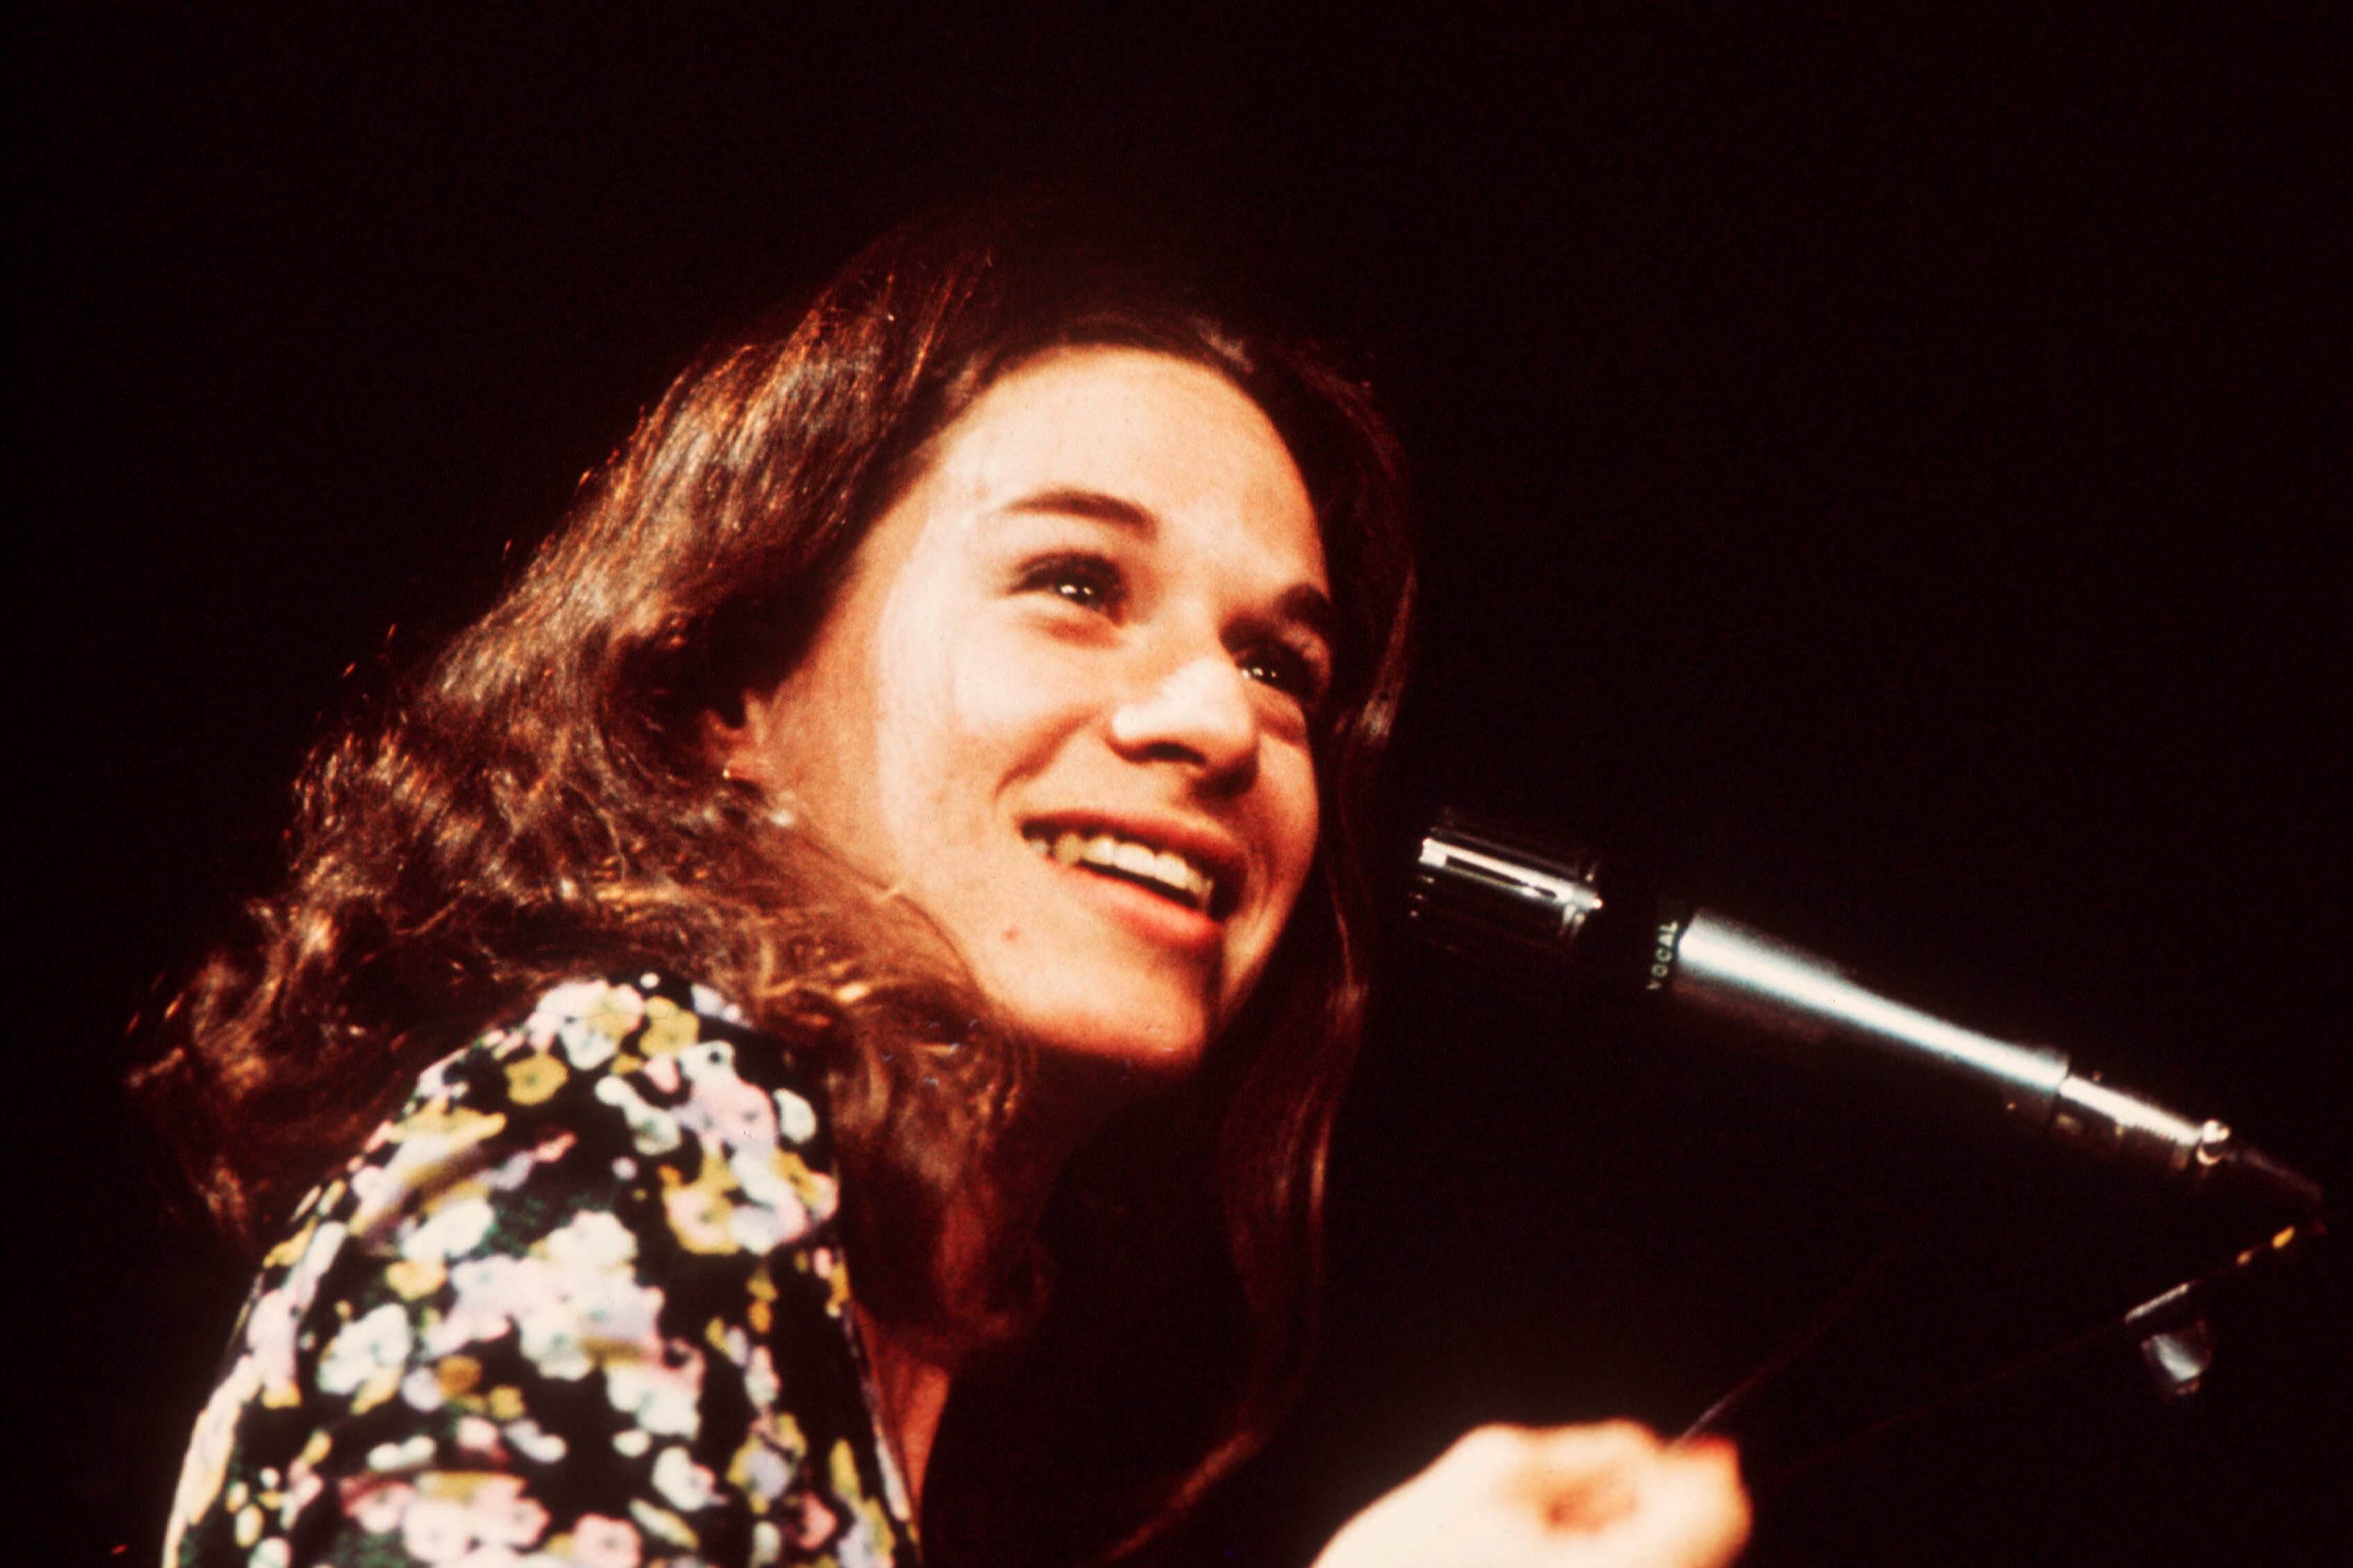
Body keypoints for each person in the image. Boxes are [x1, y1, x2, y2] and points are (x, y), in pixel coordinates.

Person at [141, 203, 1750, 1568]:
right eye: (1073, 582)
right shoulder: (617, 1125)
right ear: (731, 693)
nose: (1216, 722)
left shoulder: (824, 1301)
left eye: (1281, 663)